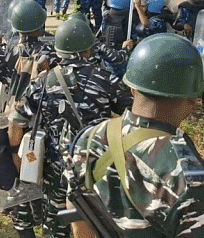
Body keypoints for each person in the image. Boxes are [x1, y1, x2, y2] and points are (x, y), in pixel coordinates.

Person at [67, 33, 204, 237]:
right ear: (192, 103)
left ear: (132, 89)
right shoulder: (189, 179)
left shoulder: (88, 139)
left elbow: (77, 213)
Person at [7, 18, 130, 238]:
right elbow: (130, 116)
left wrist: (16, 159)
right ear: (88, 50)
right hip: (96, 167)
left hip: (56, 169)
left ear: (59, 50)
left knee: (55, 225)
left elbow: (16, 123)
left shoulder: (41, 82)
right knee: (96, 224)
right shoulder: (107, 80)